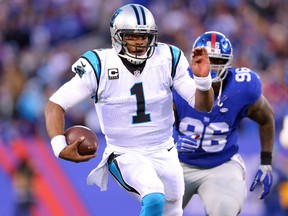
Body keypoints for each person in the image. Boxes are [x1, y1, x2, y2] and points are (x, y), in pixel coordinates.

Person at [44, 4, 214, 216]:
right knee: (153, 197)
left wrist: (203, 81)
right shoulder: (100, 65)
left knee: (172, 211)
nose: (140, 42)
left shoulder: (168, 57)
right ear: (117, 36)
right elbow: (56, 104)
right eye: (132, 37)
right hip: (125, 152)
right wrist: (59, 147)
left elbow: (203, 106)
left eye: (144, 36)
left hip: (166, 150)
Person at [173, 31, 275, 216]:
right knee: (155, 208)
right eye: (206, 59)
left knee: (225, 210)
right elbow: (154, 128)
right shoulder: (177, 83)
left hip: (221, 164)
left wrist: (266, 162)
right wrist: (169, 147)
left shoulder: (243, 87)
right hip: (178, 163)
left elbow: (266, 118)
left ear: (228, 62)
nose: (210, 66)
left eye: (218, 61)